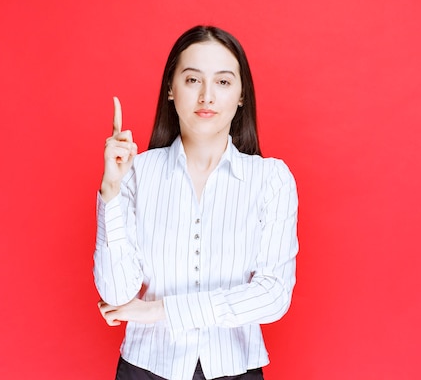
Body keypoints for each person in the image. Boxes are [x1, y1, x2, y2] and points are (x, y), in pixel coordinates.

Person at [94, 25, 298, 380]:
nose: (207, 96)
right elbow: (116, 293)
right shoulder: (137, 172)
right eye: (192, 80)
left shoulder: (271, 179)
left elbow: (273, 296)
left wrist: (159, 311)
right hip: (146, 368)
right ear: (171, 89)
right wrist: (111, 190)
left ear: (241, 95)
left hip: (236, 368)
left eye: (222, 82)